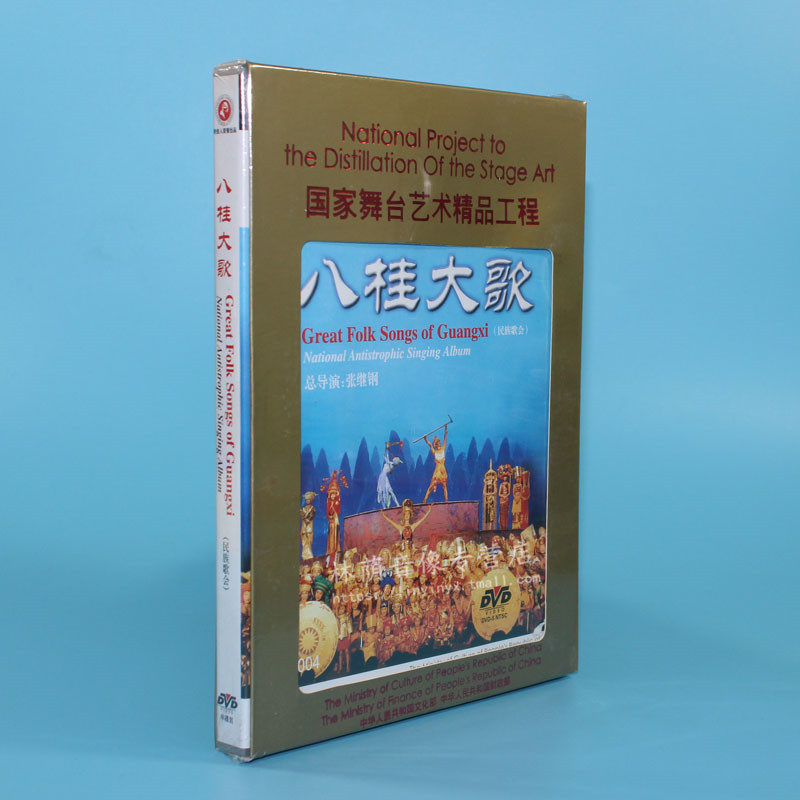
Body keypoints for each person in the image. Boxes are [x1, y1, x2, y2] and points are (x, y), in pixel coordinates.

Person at [423, 424, 449, 502]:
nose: (439, 444)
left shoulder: (443, 449)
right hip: (437, 471)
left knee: (444, 486)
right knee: (431, 486)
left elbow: (445, 439)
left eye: (439, 443)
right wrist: (425, 439)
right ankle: (424, 500)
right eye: (437, 443)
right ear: (436, 445)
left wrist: (446, 429)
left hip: (443, 471)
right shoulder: (435, 452)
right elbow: (430, 445)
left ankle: (446, 501)